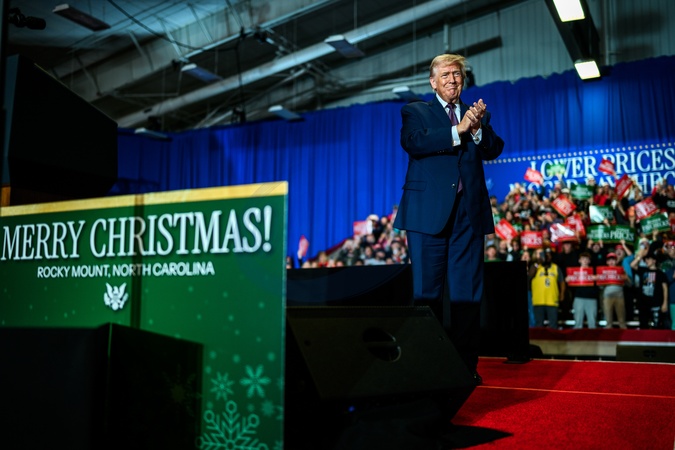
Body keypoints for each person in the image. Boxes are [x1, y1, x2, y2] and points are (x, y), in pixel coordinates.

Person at [393, 53, 504, 384]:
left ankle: (465, 368)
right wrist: (459, 129)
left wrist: (477, 128)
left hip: (468, 215)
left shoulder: (476, 115)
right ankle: (427, 367)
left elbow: (494, 148)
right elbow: (413, 142)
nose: (453, 79)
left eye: (457, 74)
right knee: (427, 294)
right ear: (433, 82)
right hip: (426, 215)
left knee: (467, 295)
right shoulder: (416, 111)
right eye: (445, 75)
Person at [530, 248, 564, 328]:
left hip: (552, 300)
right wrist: (538, 262)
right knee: (539, 325)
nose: (547, 257)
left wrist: (562, 294)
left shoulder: (556, 267)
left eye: (549, 255)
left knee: (553, 325)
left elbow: (562, 282)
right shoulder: (536, 267)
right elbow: (530, 276)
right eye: (545, 255)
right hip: (538, 301)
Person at [566, 252, 600, 329]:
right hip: (579, 297)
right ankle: (577, 336)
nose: (584, 260)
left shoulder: (594, 271)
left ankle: (593, 336)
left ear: (589, 261)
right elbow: (568, 282)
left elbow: (602, 280)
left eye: (586, 259)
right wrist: (567, 280)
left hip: (591, 298)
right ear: (579, 261)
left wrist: (597, 278)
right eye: (583, 259)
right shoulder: (574, 272)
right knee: (578, 322)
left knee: (592, 322)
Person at [602, 252, 628, 329]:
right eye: (609, 260)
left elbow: (628, 282)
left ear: (616, 261)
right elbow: (600, 284)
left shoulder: (621, 269)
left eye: (613, 260)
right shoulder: (603, 270)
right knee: (608, 319)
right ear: (607, 262)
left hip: (619, 295)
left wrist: (625, 278)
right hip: (607, 296)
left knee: (621, 318)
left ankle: (624, 333)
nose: (611, 262)